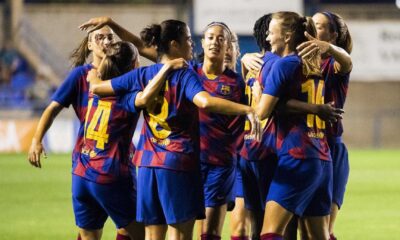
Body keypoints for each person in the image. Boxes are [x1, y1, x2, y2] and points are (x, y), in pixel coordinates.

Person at [86, 19, 260, 240]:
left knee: (152, 234)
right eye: (189, 39)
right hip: (178, 161)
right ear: (174, 45)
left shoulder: (144, 75)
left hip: (149, 163)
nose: (192, 44)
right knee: (180, 234)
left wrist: (94, 75)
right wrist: (247, 110)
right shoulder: (188, 74)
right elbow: (204, 101)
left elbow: (98, 87)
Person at [252, 11, 332, 240]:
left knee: (269, 233)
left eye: (271, 33)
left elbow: (262, 112)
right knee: (318, 236)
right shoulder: (312, 65)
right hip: (321, 158)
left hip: (297, 155)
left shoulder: (284, 65)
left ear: (287, 37)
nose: (267, 38)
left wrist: (258, 92)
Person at [296, 11, 352, 240]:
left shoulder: (333, 64)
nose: (312, 28)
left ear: (332, 35)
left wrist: (328, 49)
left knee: (324, 229)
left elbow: (347, 61)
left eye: (319, 26)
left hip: (330, 146)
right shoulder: (296, 64)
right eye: (311, 23)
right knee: (304, 229)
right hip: (304, 148)